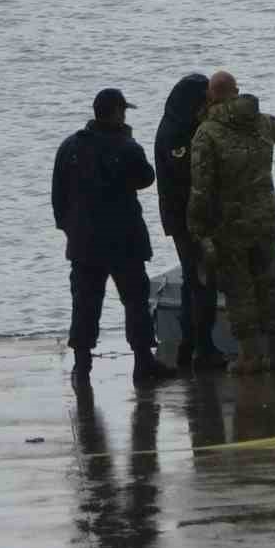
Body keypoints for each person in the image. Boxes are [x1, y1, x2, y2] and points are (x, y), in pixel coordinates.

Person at [187, 70, 275, 374]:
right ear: (237, 91)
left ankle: (249, 357)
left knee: (239, 290)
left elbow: (201, 187)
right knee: (269, 284)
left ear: (211, 96)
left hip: (230, 225)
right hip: (266, 218)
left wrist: (197, 227)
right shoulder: (263, 121)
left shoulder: (207, 133)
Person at [51, 87, 170, 384]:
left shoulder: (70, 147)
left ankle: (82, 367)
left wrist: (70, 229)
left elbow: (58, 196)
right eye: (124, 111)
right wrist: (126, 138)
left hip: (84, 243)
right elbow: (146, 177)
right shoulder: (126, 147)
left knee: (85, 303)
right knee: (135, 302)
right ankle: (143, 364)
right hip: (124, 241)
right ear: (117, 113)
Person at [154, 72, 227, 371]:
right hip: (187, 219)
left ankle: (189, 345)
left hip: (186, 217)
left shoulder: (182, 125)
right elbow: (189, 177)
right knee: (201, 280)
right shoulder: (177, 133)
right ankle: (203, 348)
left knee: (193, 280)